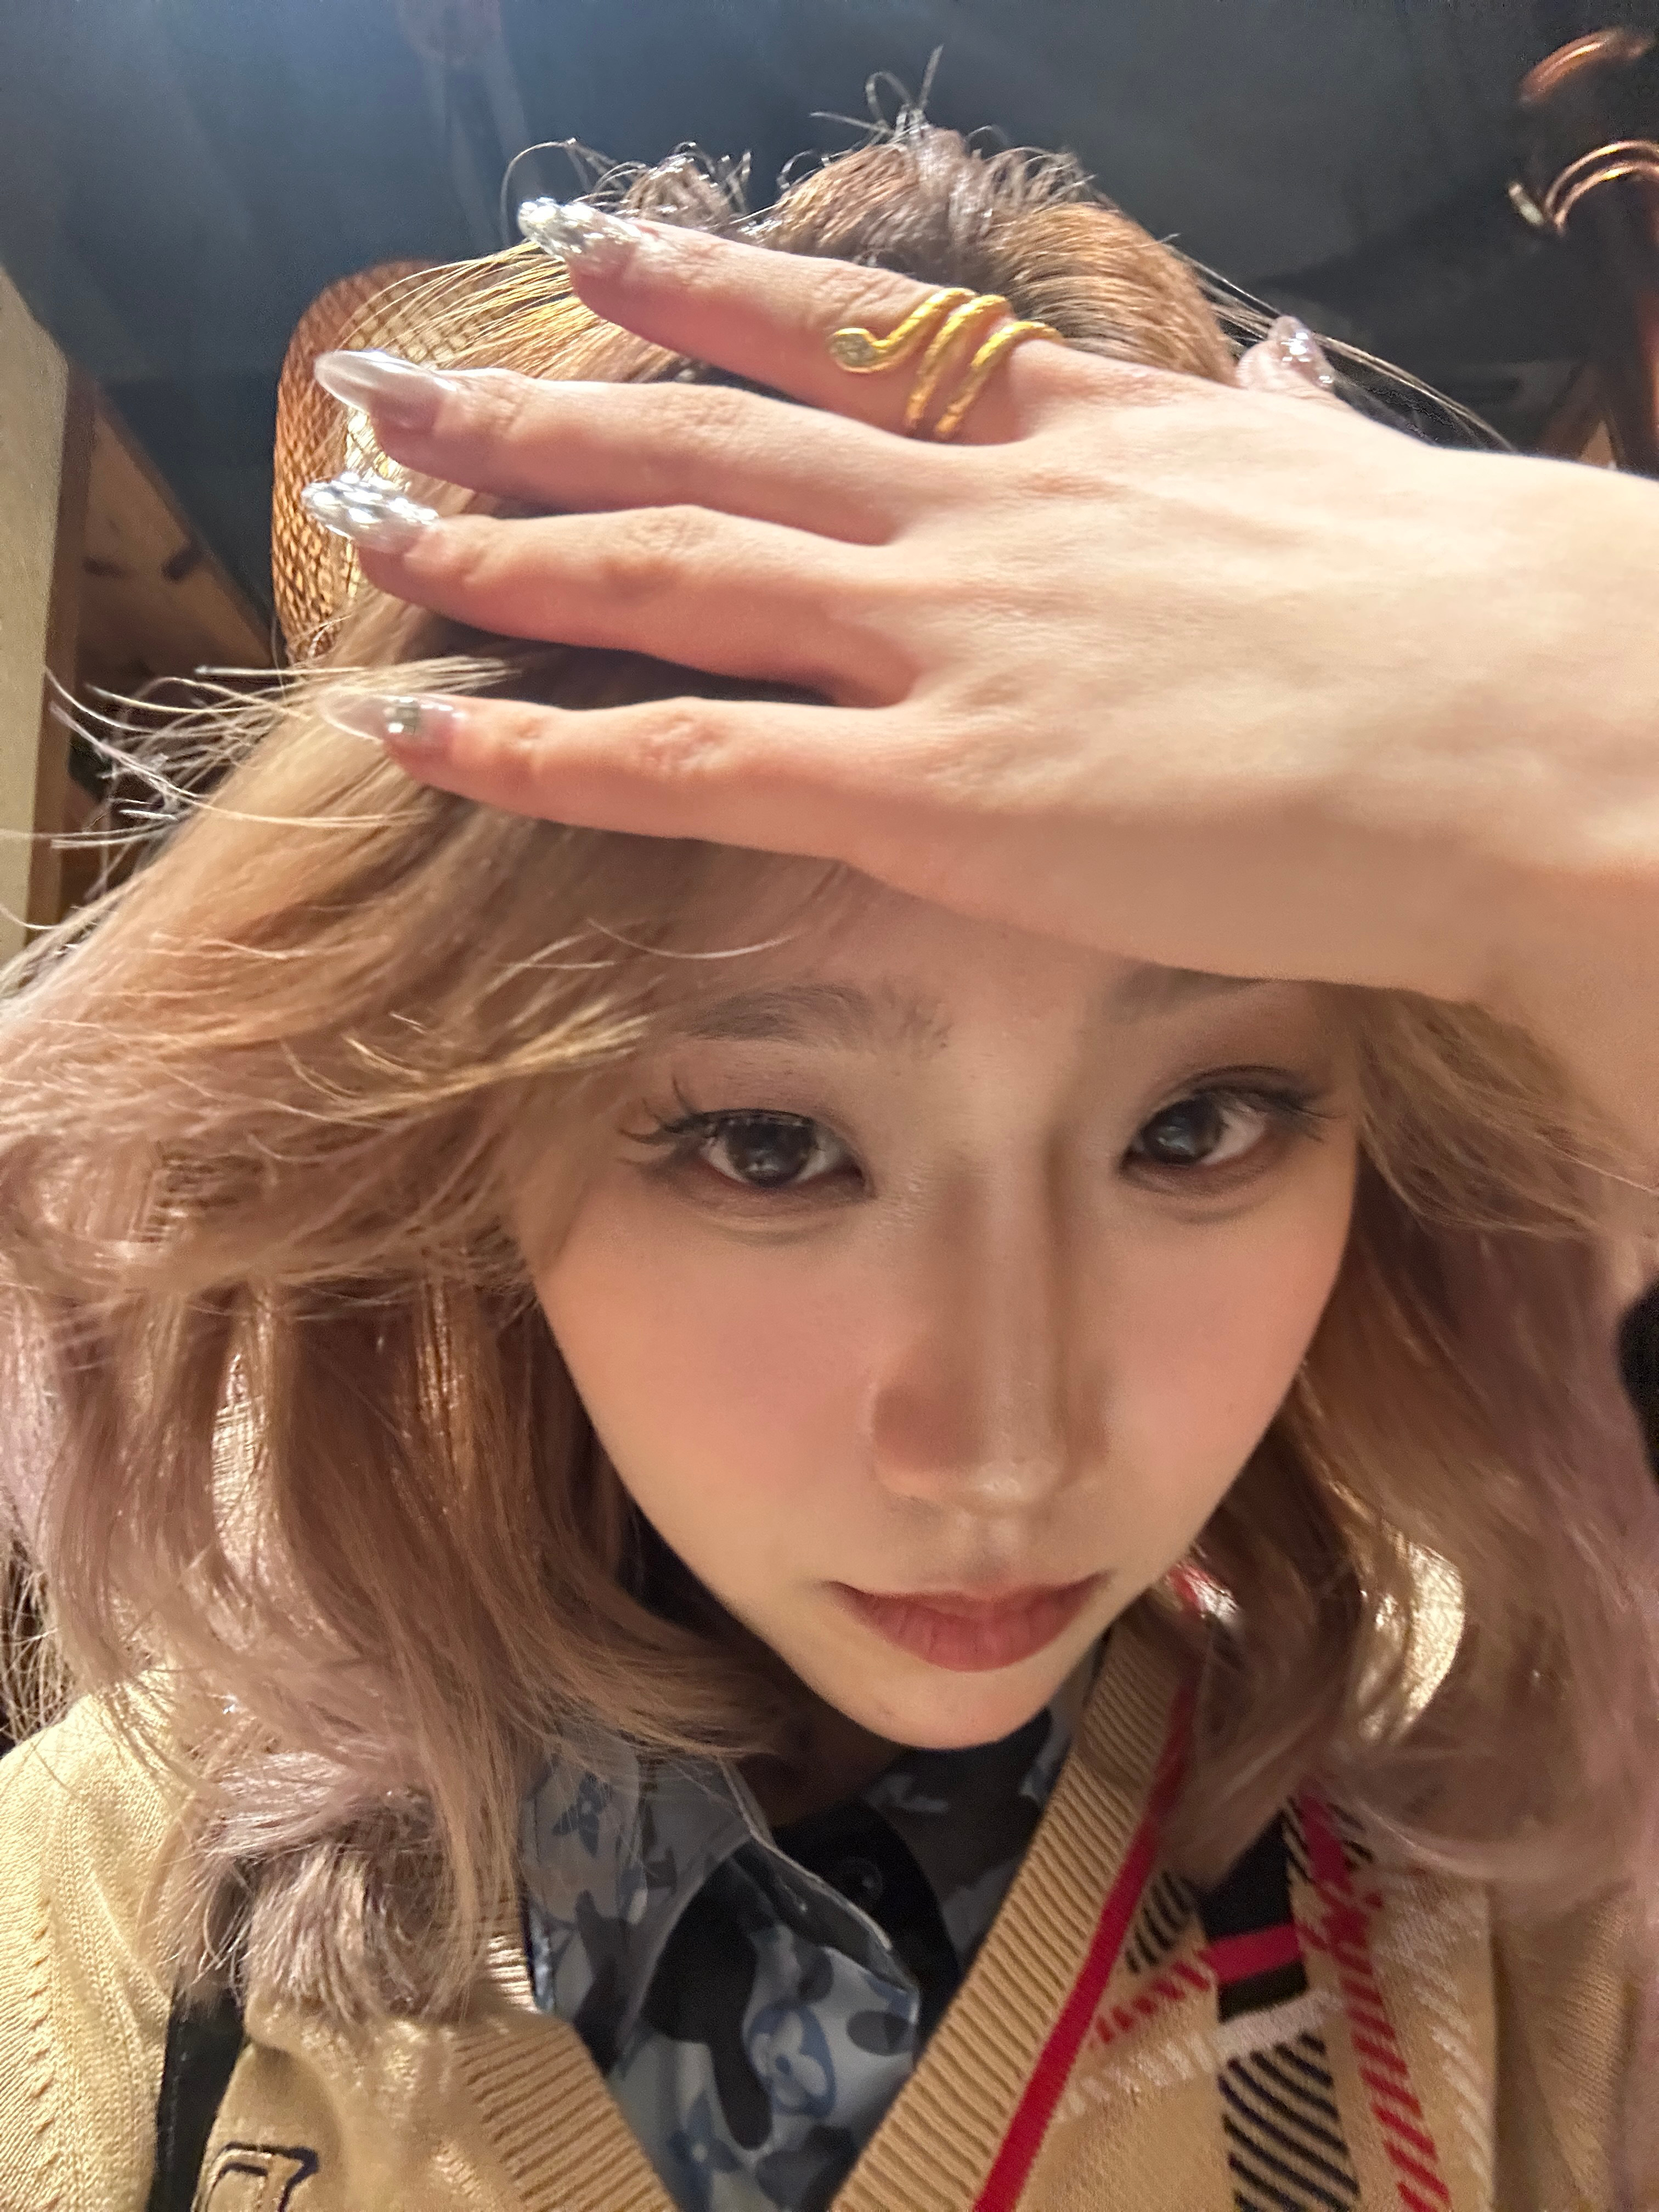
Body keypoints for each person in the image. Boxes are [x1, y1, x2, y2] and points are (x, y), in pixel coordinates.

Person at [1, 122, 1656, 2212]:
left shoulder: (1532, 1852)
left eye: (1198, 1125)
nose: (1004, 1453)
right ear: (465, 1133)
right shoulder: (95, 1929)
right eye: (770, 1144)